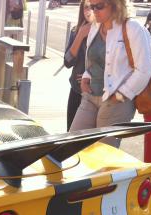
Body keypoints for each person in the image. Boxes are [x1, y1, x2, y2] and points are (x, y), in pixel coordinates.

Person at [69, 0, 151, 148]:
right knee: (72, 145)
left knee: (103, 152)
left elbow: (144, 71)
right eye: (91, 6)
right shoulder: (95, 26)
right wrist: (86, 77)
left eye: (99, 6)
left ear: (115, 4)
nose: (94, 11)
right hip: (90, 96)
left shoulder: (133, 28)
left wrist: (120, 95)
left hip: (116, 101)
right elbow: (94, 58)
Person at [64, 0, 92, 130]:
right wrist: (80, 35)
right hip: (76, 90)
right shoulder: (76, 31)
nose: (89, 11)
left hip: (95, 94)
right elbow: (68, 62)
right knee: (71, 134)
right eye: (86, 7)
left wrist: (91, 76)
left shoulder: (107, 32)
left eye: (92, 7)